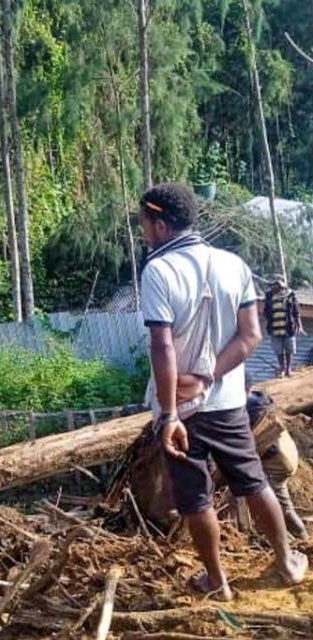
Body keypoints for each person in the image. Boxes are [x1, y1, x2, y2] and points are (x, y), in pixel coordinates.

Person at [139, 182, 306, 602]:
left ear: (160, 225)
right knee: (252, 482)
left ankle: (218, 580)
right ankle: (286, 562)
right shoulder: (234, 264)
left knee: (195, 498)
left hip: (181, 410)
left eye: (144, 225)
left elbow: (161, 345)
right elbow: (251, 335)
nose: (144, 233)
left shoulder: (158, 271)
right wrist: (210, 375)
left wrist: (172, 414)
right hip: (229, 401)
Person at [246, 378, 308, 539]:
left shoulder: (247, 407)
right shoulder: (260, 399)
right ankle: (295, 537)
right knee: (281, 503)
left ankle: (298, 539)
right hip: (287, 452)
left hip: (277, 460)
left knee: (277, 506)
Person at [264, 275, 305, 378]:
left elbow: (296, 311)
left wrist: (299, 325)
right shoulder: (269, 296)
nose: (274, 287)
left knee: (289, 349)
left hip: (288, 327)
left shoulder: (290, 295)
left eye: (276, 285)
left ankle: (288, 369)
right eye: (273, 285)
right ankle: (282, 368)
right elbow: (266, 311)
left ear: (280, 285)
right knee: (278, 350)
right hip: (274, 328)